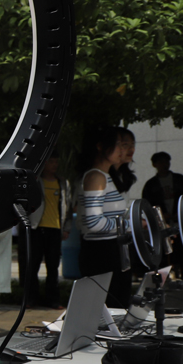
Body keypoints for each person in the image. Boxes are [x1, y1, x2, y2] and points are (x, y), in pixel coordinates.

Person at [76, 125, 131, 308]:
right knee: (107, 308)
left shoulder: (105, 176)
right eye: (118, 144)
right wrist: (130, 225)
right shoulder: (96, 177)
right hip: (101, 254)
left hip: (111, 250)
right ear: (100, 146)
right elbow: (93, 222)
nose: (122, 150)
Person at [18, 155, 73, 307]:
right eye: (51, 161)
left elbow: (67, 206)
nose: (54, 164)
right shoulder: (36, 181)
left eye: (56, 161)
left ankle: (53, 299)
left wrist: (66, 228)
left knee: (53, 267)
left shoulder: (63, 183)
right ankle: (31, 299)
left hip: (55, 228)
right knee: (32, 265)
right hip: (36, 227)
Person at [141, 151, 183, 223]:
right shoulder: (150, 184)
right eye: (161, 162)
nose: (164, 165)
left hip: (180, 217)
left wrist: (182, 211)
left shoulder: (179, 179)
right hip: (161, 220)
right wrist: (159, 214)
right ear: (154, 164)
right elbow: (147, 203)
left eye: (166, 162)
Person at [110, 127, 138, 195]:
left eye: (133, 144)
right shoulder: (100, 176)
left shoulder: (123, 175)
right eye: (125, 145)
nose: (131, 149)